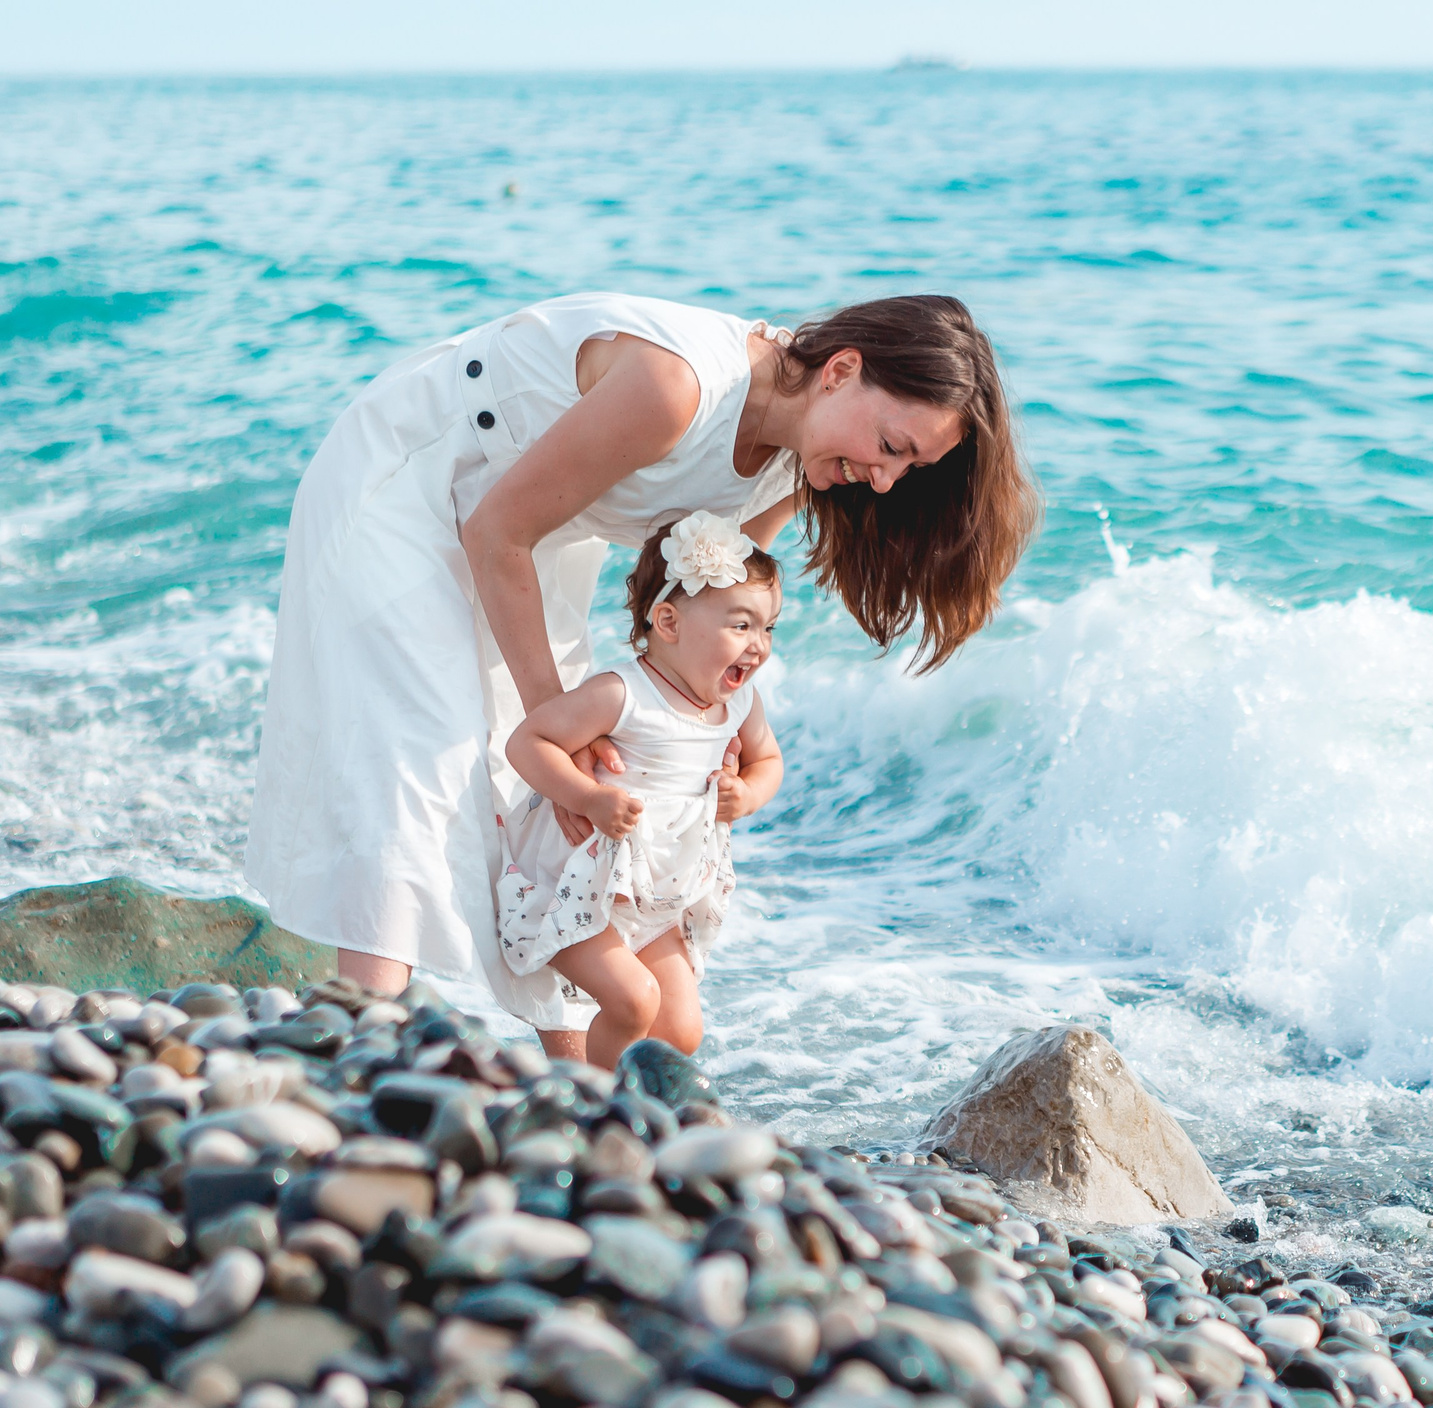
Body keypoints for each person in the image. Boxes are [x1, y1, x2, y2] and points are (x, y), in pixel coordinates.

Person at [244, 292, 1038, 1057]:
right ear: (840, 370)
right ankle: (366, 1050)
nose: (887, 479)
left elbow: (696, 605)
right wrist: (557, 724)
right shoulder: (678, 387)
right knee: (420, 762)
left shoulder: (794, 464)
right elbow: (495, 532)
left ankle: (578, 1069)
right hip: (415, 479)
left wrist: (704, 726)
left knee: (538, 789)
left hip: (535, 524)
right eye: (894, 447)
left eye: (911, 468)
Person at [497, 512, 782, 1067]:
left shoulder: (740, 704)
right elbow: (527, 742)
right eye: (741, 625)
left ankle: (627, 1106)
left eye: (768, 628)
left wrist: (746, 794)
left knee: (681, 1029)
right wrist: (586, 797)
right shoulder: (621, 693)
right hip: (577, 883)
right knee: (633, 1001)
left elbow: (767, 759)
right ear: (669, 623)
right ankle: (598, 1111)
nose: (759, 646)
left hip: (658, 891)